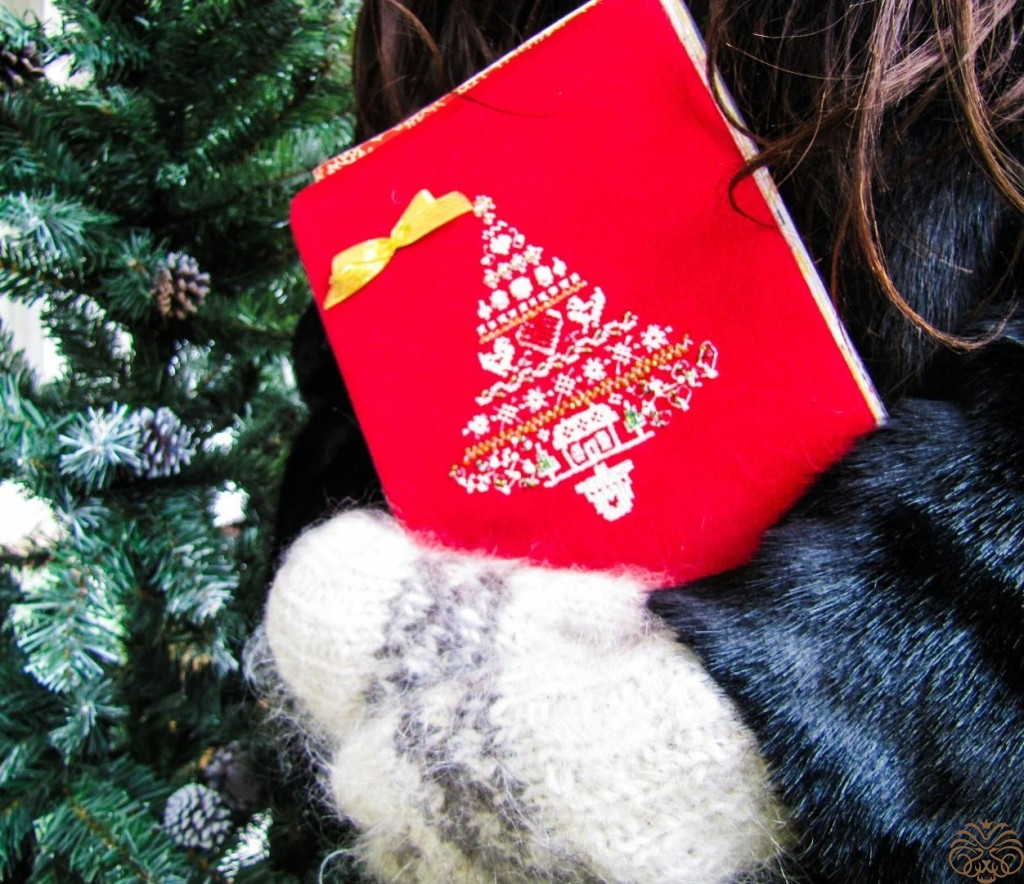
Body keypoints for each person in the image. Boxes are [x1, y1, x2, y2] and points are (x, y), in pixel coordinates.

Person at [264, 0, 1024, 881]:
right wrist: (380, 598)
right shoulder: (429, 15)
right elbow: (377, 347)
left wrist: (805, 702)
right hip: (515, 724)